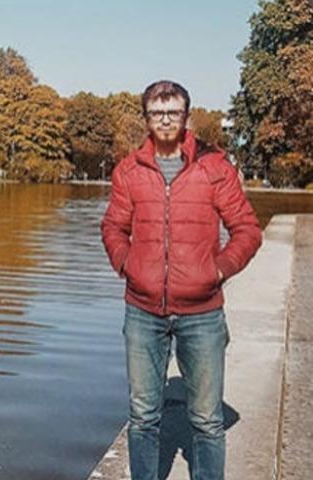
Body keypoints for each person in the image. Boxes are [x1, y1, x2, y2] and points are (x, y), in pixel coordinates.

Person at [101, 80, 262, 479]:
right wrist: (128, 265)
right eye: (158, 113)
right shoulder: (129, 170)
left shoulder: (213, 167)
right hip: (143, 311)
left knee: (207, 420)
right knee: (142, 418)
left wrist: (219, 270)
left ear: (186, 116)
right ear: (147, 118)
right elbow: (112, 228)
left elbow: (246, 229)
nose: (166, 120)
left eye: (173, 112)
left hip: (202, 313)